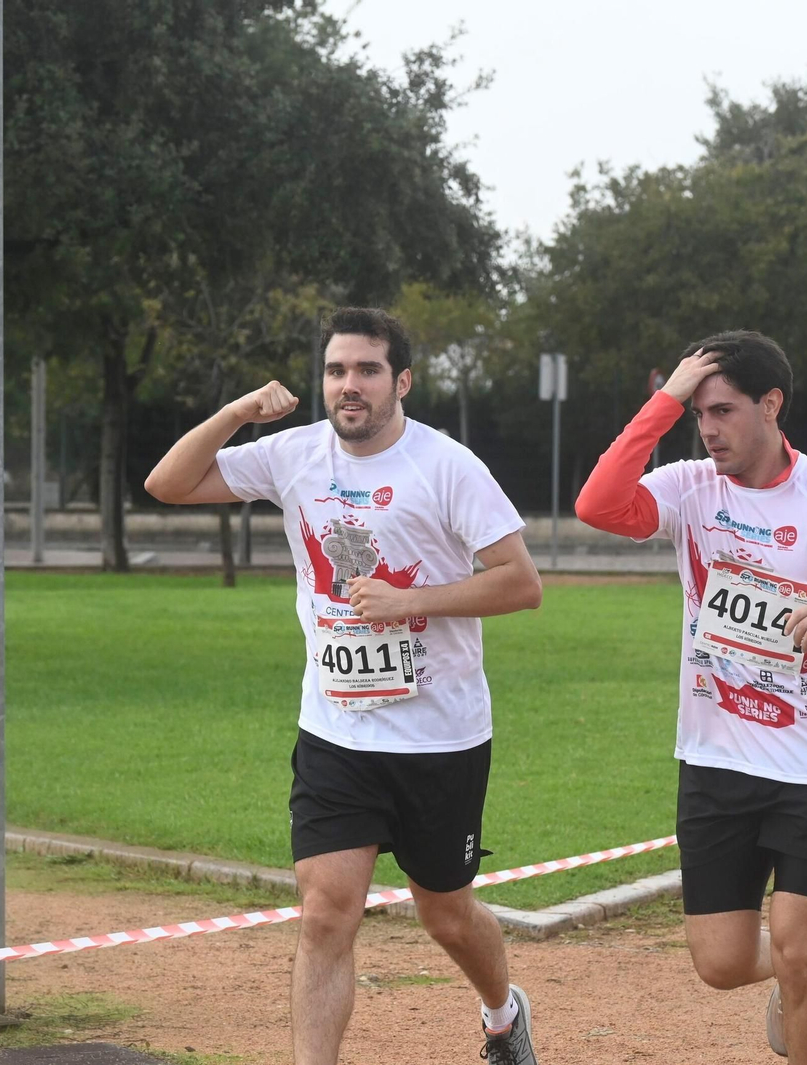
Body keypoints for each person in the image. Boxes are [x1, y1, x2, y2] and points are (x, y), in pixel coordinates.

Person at [144, 307, 544, 1065]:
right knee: (326, 912)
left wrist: (410, 599)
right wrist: (236, 412)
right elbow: (168, 482)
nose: (349, 385)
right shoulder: (293, 454)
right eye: (335, 370)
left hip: (439, 736)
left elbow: (522, 583)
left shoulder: (448, 466)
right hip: (336, 730)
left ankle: (503, 1013)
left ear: (402, 382)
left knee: (447, 915)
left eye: (366, 370)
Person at [575, 332, 807, 1064]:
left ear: (771, 404)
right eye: (698, 414)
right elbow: (597, 505)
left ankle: (803, 961)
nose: (708, 428)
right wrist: (664, 402)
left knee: (796, 953)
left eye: (722, 410)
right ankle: (804, 957)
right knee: (720, 962)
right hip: (715, 757)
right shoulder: (688, 487)